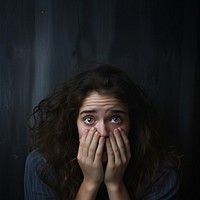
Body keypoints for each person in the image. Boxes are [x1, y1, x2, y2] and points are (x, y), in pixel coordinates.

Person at [24, 64, 180, 200]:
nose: (103, 132)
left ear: (132, 122)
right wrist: (90, 183)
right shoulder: (43, 165)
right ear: (74, 123)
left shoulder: (160, 171)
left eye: (115, 118)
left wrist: (115, 185)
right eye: (89, 120)